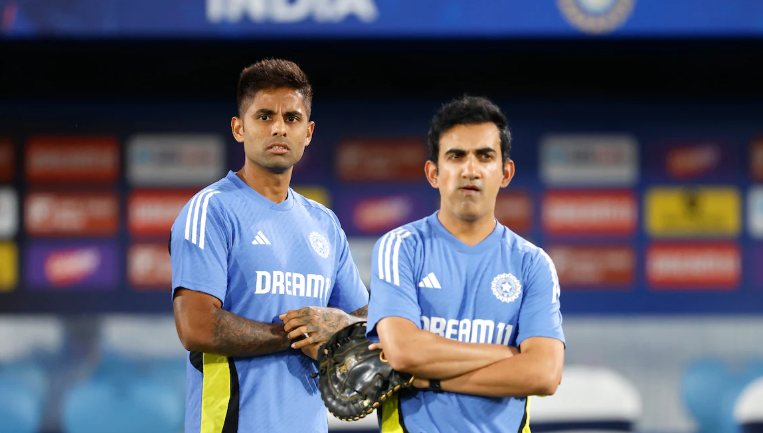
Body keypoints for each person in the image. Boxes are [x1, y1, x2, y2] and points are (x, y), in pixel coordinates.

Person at [170, 59, 369, 433]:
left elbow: (368, 321)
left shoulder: (324, 223)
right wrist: (300, 335)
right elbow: (195, 326)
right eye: (264, 116)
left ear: (308, 132)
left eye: (292, 118)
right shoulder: (211, 210)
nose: (279, 127)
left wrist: (345, 326)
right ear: (239, 128)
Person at [366, 96, 565, 432]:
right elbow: (403, 353)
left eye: (485, 156)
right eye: (456, 156)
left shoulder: (533, 263)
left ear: (505, 172)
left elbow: (545, 374)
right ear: (434, 173)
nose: (470, 169)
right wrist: (509, 355)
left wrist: (434, 379)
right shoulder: (399, 248)